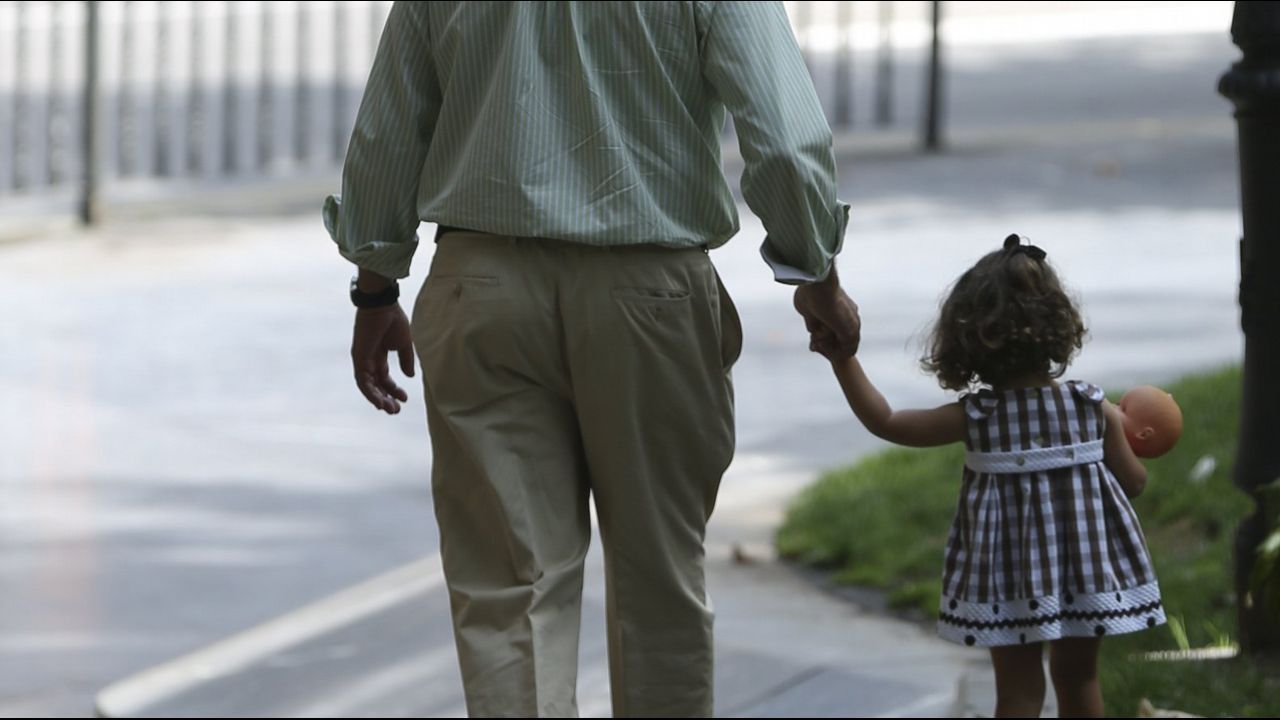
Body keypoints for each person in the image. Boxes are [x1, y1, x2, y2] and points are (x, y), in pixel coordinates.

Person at [323, 2, 860, 717]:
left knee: (512, 587)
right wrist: (815, 274)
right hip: (651, 293)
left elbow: (391, 126)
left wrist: (375, 283)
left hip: (483, 286)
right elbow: (786, 143)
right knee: (660, 582)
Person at [828, 234, 1165, 718]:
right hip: (1083, 571)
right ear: (1057, 326)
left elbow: (888, 422)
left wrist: (844, 360)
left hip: (1007, 577)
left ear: (965, 339)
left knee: (1020, 691)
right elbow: (1134, 484)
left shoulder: (979, 416)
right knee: (1078, 677)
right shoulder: (1092, 407)